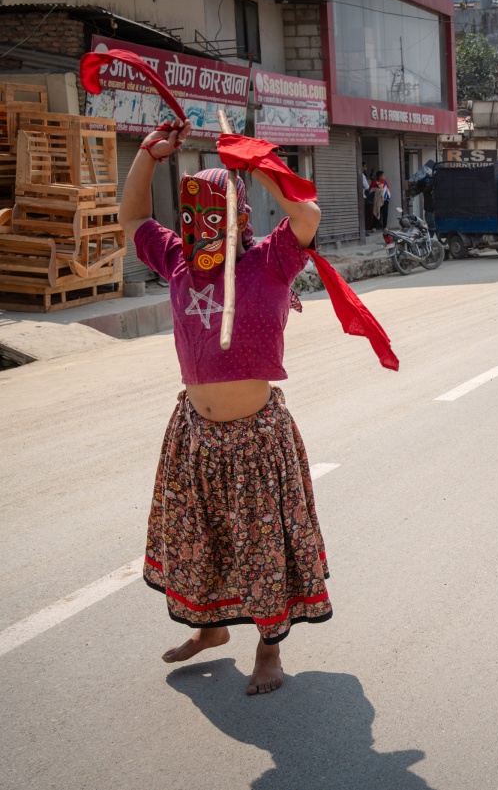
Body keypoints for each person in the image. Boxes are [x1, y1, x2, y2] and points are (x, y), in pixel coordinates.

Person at [119, 119, 331, 696]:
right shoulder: (178, 263)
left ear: (240, 216)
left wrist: (257, 162)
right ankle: (210, 630)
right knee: (199, 539)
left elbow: (307, 216)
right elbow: (133, 219)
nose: (200, 228)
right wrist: (146, 156)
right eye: (192, 216)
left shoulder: (271, 261)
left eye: (216, 213)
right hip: (193, 435)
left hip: (256, 439)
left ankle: (269, 650)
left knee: (263, 550)